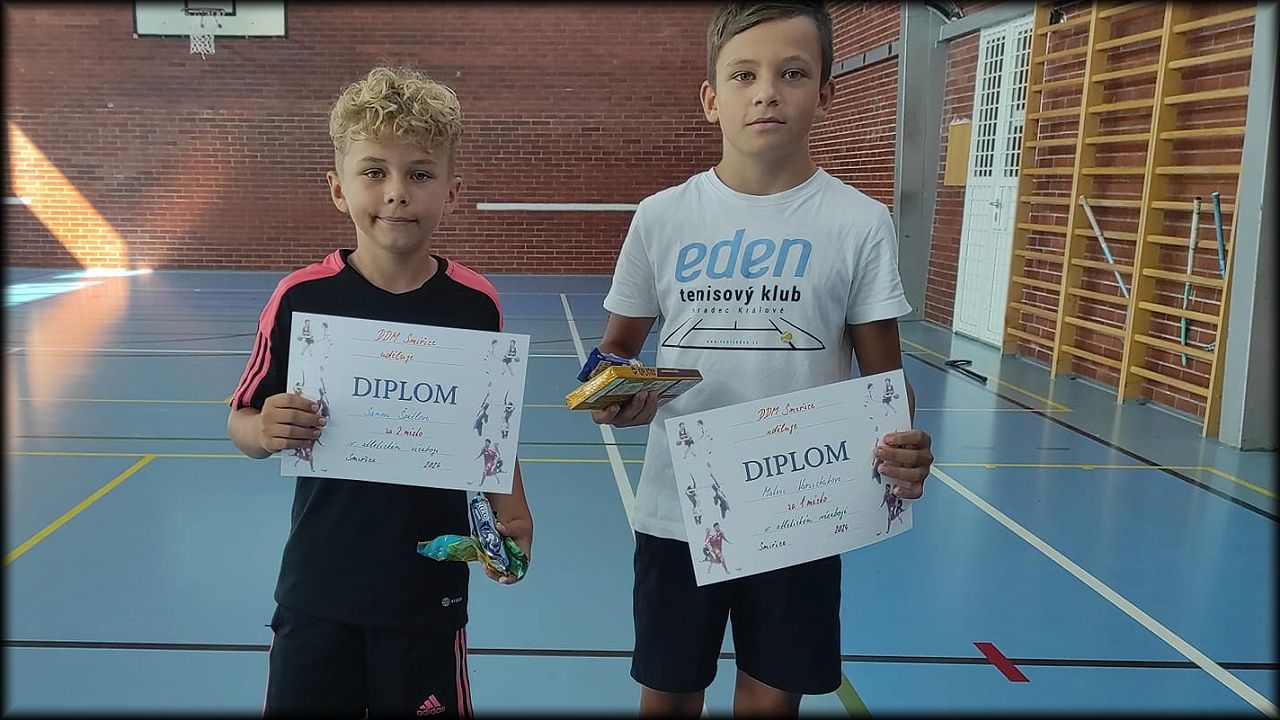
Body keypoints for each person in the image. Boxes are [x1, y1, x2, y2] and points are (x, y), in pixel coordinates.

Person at [589, 3, 934, 715]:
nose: (767, 92)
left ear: (825, 94)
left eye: (793, 73)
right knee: (669, 692)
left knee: (772, 699)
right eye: (743, 75)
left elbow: (885, 385)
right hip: (679, 507)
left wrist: (903, 448)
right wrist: (609, 389)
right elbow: (615, 348)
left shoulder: (860, 223)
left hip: (800, 509)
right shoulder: (662, 217)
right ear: (711, 98)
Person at [227, 65, 533, 718]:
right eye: (374, 172)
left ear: (452, 191)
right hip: (317, 590)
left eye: (420, 174)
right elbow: (242, 421)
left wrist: (513, 512)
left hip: (425, 594)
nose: (397, 193)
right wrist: (264, 429)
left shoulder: (475, 304)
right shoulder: (300, 297)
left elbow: (491, 431)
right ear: (338, 188)